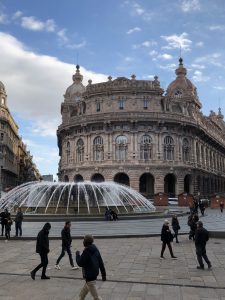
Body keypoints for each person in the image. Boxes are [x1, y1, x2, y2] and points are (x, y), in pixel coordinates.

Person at [76, 235, 106, 300]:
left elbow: (80, 263)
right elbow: (101, 262)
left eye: (83, 240)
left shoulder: (86, 252)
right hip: (93, 274)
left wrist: (77, 255)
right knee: (82, 294)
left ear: (86, 242)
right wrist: (104, 275)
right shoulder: (95, 249)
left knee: (96, 297)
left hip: (90, 277)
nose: (83, 242)